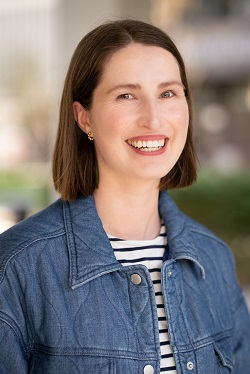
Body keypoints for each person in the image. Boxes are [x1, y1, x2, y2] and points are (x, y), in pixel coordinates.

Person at [0, 19, 249, 374]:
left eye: (168, 93)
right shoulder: (18, 268)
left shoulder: (215, 261)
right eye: (126, 95)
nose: (153, 118)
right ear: (84, 117)